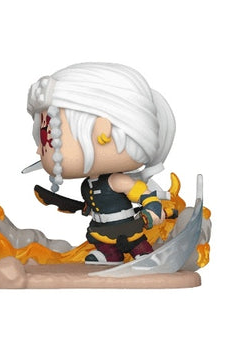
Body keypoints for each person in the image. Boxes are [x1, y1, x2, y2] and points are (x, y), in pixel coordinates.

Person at [26, 62, 175, 264]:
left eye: (49, 137)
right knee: (104, 245)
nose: (39, 150)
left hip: (127, 228)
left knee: (136, 244)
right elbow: (92, 204)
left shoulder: (116, 181)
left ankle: (143, 255)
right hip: (102, 230)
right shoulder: (87, 184)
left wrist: (152, 208)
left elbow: (142, 194)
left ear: (102, 131)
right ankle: (109, 255)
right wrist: (84, 208)